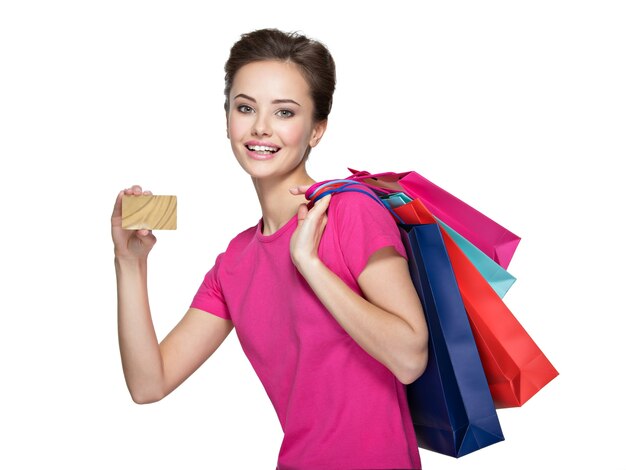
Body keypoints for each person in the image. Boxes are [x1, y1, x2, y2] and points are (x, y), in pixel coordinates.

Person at [111, 28, 428, 470]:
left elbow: (410, 357)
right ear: (227, 121)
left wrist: (310, 264)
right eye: (245, 108)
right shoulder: (236, 261)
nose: (261, 127)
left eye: (284, 112)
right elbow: (149, 383)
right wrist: (129, 264)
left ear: (316, 129)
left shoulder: (350, 210)